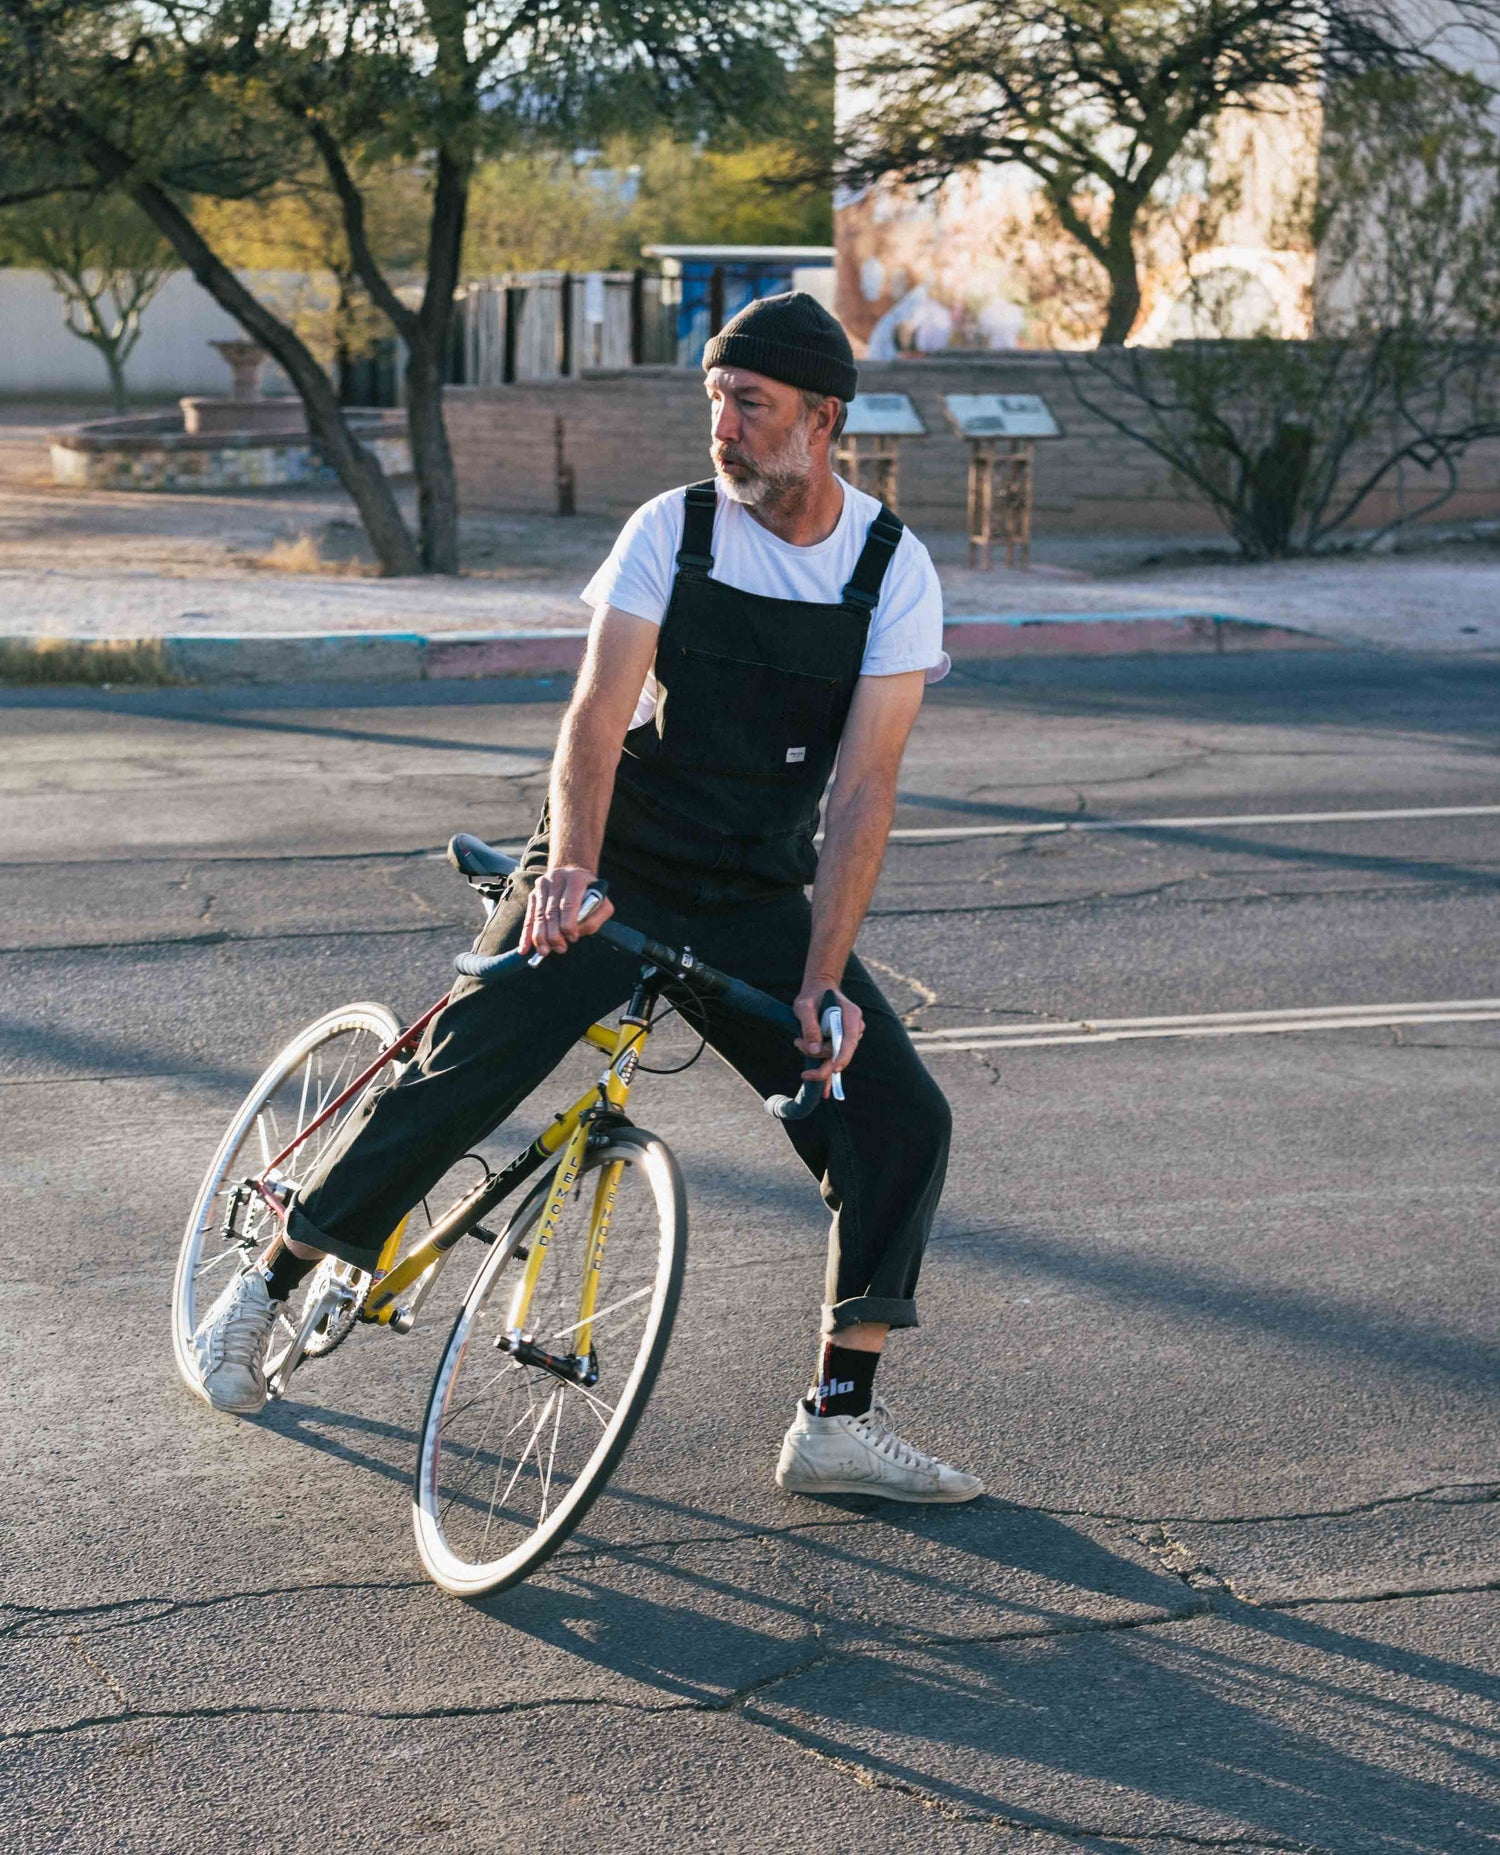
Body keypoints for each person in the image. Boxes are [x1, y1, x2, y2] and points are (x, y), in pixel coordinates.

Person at [193, 291, 981, 1504]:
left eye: (750, 405)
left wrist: (822, 980)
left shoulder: (893, 566)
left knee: (896, 1116)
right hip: (616, 863)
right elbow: (596, 719)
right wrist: (568, 866)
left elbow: (865, 791)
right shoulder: (675, 528)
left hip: (757, 888)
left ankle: (835, 1419)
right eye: (715, 399)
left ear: (823, 420)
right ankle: (268, 1285)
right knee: (464, 1073)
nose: (723, 424)